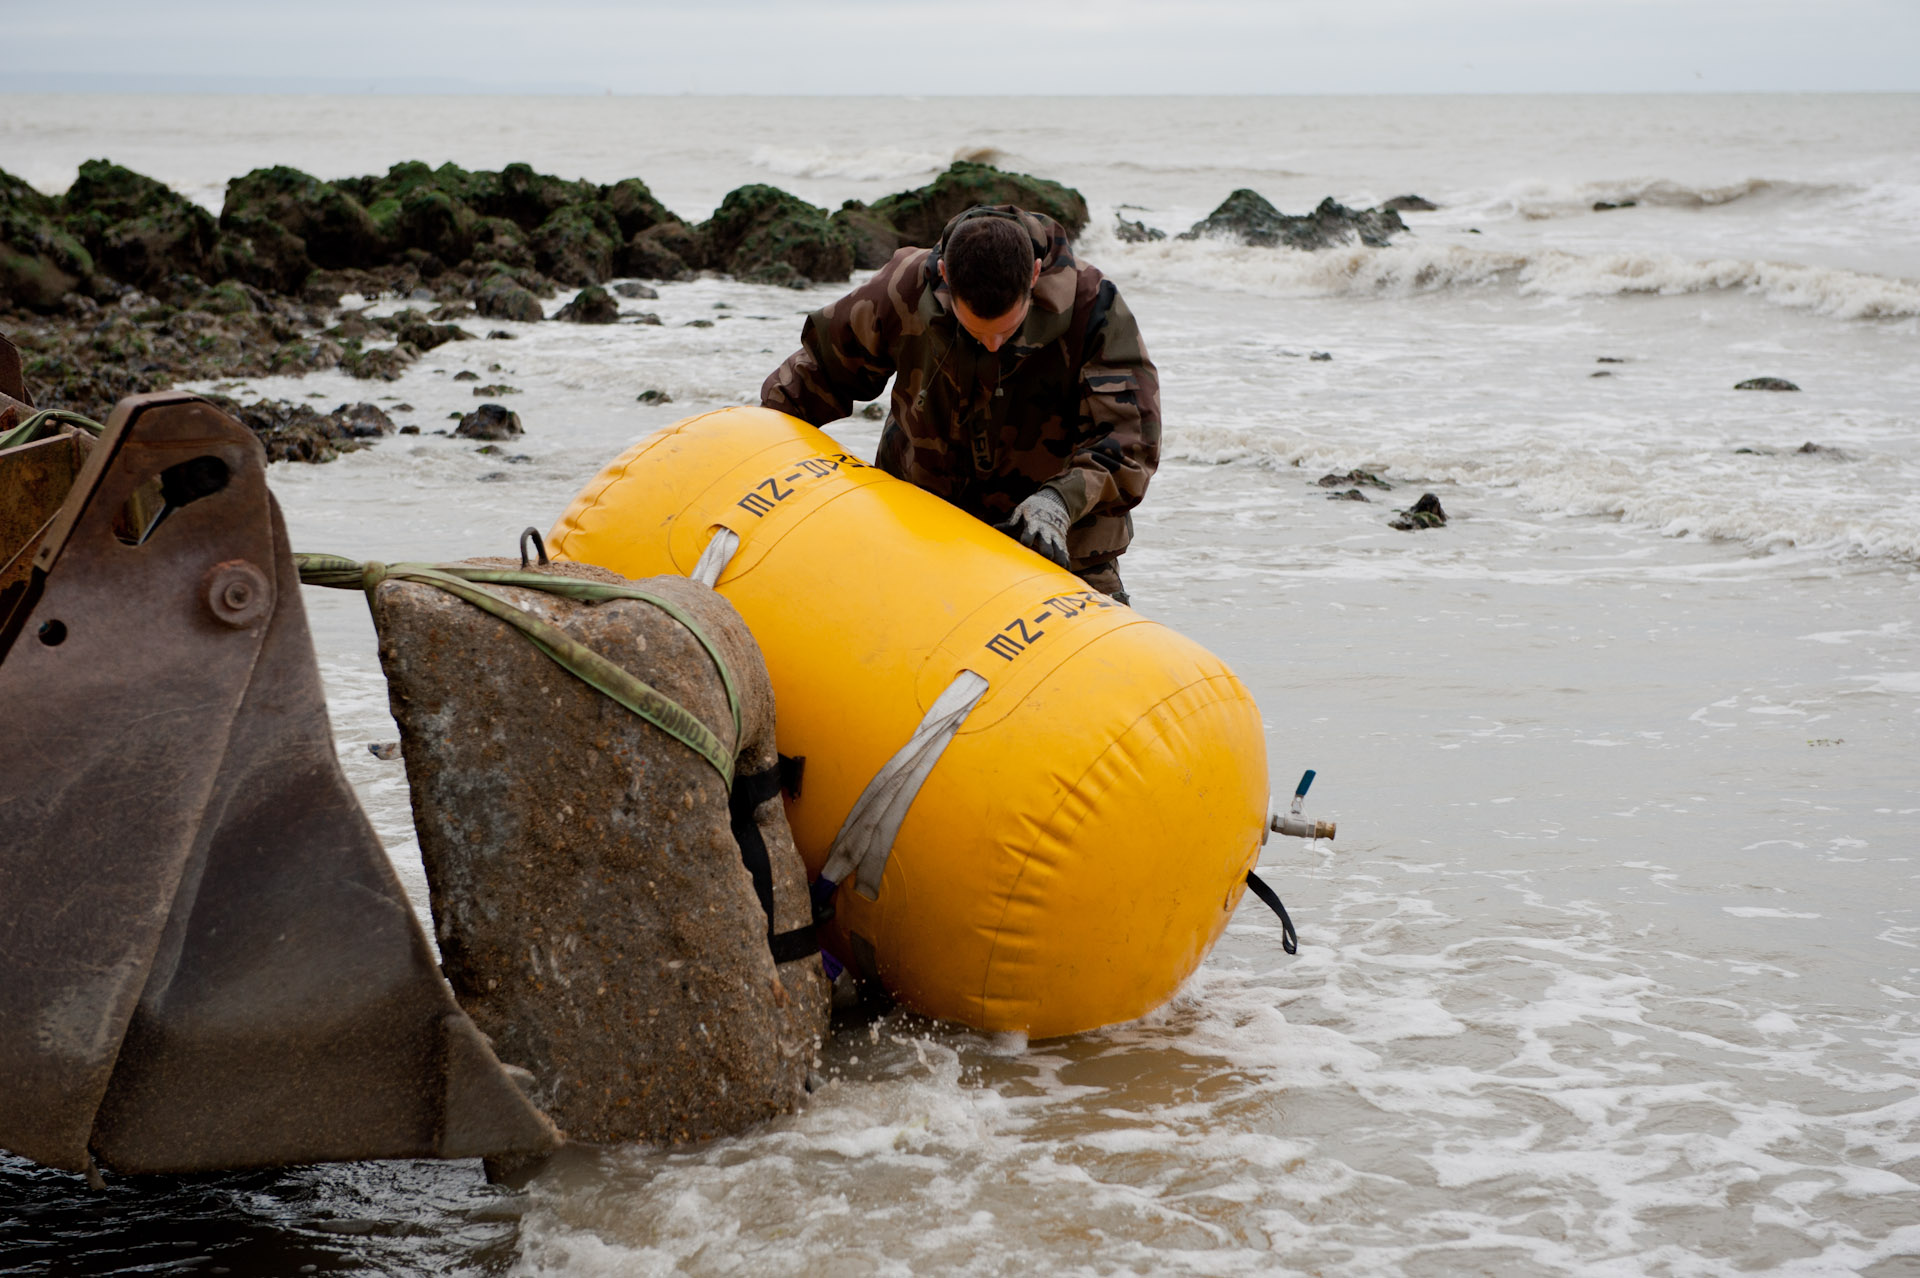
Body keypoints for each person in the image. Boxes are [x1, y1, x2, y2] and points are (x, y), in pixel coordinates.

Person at [760, 205, 1159, 603]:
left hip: (1059, 543)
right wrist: (759, 448)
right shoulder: (906, 287)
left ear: (1034, 275)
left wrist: (1059, 501)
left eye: (1007, 330)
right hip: (924, 528)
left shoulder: (1093, 308)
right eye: (975, 331)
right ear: (946, 278)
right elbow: (818, 374)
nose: (992, 344)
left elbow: (1129, 443)